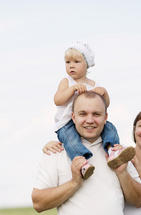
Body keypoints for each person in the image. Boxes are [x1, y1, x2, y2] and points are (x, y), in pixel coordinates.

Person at [32, 91, 141, 215]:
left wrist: (122, 173)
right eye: (83, 114)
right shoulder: (56, 153)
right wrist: (75, 183)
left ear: (106, 117)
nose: (90, 120)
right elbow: (38, 203)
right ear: (73, 117)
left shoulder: (119, 152)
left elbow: (138, 200)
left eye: (96, 114)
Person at [54, 41, 135, 180]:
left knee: (109, 127)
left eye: (76, 62)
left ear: (87, 64)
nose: (71, 65)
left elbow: (105, 104)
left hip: (88, 122)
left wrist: (104, 92)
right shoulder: (67, 82)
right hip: (67, 123)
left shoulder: (94, 85)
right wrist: (72, 89)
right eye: (67, 62)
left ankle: (112, 150)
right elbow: (58, 100)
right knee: (71, 140)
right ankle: (82, 162)